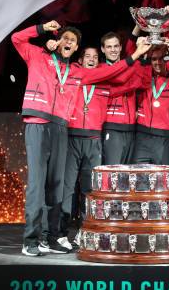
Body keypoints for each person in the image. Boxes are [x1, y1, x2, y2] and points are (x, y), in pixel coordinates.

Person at [12, 20, 150, 257]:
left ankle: (52, 237)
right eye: (65, 39)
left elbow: (109, 71)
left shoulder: (78, 73)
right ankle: (30, 239)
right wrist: (43, 29)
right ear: (57, 42)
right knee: (37, 184)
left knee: (56, 187)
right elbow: (16, 38)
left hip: (60, 128)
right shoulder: (38, 56)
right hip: (37, 123)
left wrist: (135, 54)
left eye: (73, 41)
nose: (68, 43)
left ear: (76, 48)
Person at [58, 47, 137, 249]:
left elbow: (124, 83)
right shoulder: (73, 78)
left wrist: (139, 61)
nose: (92, 59)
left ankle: (87, 231)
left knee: (90, 190)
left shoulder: (104, 84)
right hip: (72, 137)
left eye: (95, 57)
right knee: (67, 188)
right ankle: (60, 233)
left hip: (94, 140)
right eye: (88, 56)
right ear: (80, 60)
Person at [132, 40, 169, 165]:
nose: (158, 63)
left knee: (165, 181)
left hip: (166, 138)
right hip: (143, 137)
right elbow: (135, 77)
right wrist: (142, 54)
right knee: (140, 179)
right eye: (154, 59)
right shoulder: (145, 81)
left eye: (161, 59)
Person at [100, 32, 140, 164]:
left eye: (116, 46)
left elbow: (142, 80)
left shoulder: (126, 66)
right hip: (112, 128)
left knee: (128, 174)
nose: (113, 50)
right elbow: (109, 91)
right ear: (103, 49)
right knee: (112, 172)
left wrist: (137, 28)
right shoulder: (101, 68)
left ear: (120, 47)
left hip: (131, 129)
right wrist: (132, 84)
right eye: (109, 47)